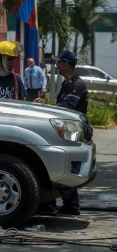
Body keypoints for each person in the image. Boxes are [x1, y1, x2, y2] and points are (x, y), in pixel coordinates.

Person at [37, 50, 88, 216]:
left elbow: (67, 107)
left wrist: (46, 107)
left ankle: (69, 205)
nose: (57, 66)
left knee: (67, 169)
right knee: (63, 167)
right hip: (67, 133)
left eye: (59, 63)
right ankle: (67, 205)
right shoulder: (67, 84)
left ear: (66, 64)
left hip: (76, 135)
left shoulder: (77, 84)